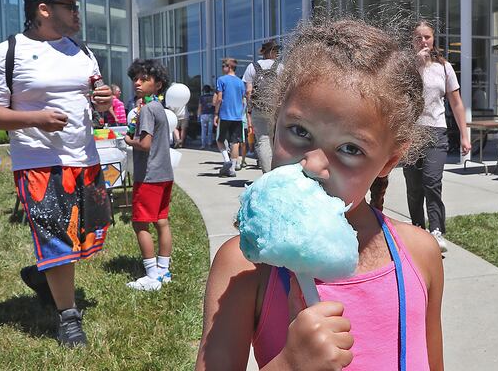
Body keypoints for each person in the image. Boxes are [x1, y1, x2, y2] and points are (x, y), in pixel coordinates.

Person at [194, 18, 444, 370]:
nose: (313, 164)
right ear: (276, 117)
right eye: (298, 130)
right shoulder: (246, 266)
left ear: (389, 161)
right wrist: (289, 366)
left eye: (351, 149)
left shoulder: (420, 255)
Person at [0, 0, 113, 347]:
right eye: (69, 6)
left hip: (84, 158)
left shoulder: (81, 51)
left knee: (81, 239)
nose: (77, 12)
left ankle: (42, 275)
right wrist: (34, 118)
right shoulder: (7, 53)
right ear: (43, 9)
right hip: (37, 160)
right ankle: (69, 319)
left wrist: (104, 98)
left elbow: (98, 94)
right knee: (57, 238)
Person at [402, 20, 471, 254]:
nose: (423, 41)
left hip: (436, 130)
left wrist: (464, 135)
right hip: (411, 132)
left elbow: (457, 103)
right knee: (413, 186)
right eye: (419, 37)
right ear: (412, 41)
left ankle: (436, 230)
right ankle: (417, 229)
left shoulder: (444, 67)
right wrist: (417, 67)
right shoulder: (405, 67)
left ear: (433, 40)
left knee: (431, 182)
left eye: (427, 37)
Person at [124, 59, 174, 291]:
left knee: (140, 223)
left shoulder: (146, 110)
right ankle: (164, 270)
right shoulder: (159, 109)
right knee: (162, 221)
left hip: (149, 175)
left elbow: (144, 144)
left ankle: (151, 275)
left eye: (144, 79)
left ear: (158, 84)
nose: (138, 83)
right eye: (136, 78)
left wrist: (128, 140)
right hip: (165, 173)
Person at [242, 39, 283, 173]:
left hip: (259, 108)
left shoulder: (252, 67)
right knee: (277, 140)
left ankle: (268, 174)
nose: (277, 53)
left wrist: (249, 109)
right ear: (271, 51)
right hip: (276, 109)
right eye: (276, 50)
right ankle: (278, 172)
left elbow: (248, 91)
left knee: (263, 140)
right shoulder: (280, 67)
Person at [214, 58, 246, 177]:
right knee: (235, 142)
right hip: (237, 116)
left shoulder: (221, 80)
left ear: (229, 67)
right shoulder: (240, 82)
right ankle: (232, 168)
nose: (222, 68)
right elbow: (243, 100)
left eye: (224, 66)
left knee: (219, 140)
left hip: (225, 114)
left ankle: (226, 160)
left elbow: (219, 98)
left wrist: (216, 113)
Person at [196, 85, 215, 149]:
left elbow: (200, 107)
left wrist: (198, 115)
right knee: (210, 130)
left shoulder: (202, 97)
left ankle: (203, 144)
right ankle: (210, 144)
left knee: (203, 130)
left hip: (203, 114)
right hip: (211, 114)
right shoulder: (212, 97)